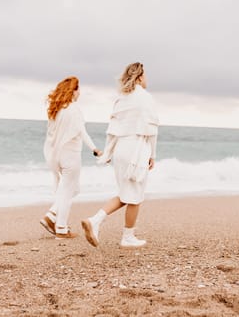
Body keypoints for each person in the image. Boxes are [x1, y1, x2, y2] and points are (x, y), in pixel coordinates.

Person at [81, 62, 159, 248]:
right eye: (146, 75)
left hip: (121, 149)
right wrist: (153, 155)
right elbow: (152, 130)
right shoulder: (145, 98)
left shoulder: (121, 99)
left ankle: (96, 220)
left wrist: (108, 152)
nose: (147, 78)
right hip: (137, 148)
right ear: (140, 77)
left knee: (126, 193)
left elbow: (113, 129)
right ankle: (127, 236)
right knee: (135, 195)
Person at [39, 76, 102, 239]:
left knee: (72, 189)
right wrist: (94, 148)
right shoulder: (74, 109)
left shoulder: (56, 109)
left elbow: (50, 134)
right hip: (70, 156)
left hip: (55, 156)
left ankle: (52, 215)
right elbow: (82, 132)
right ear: (73, 91)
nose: (80, 92)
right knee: (67, 193)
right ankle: (61, 228)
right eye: (78, 89)